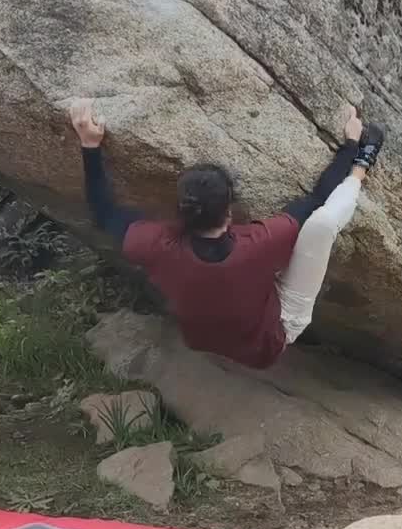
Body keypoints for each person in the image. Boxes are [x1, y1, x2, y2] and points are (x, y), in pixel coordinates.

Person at [68, 98, 384, 369]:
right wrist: (349, 146)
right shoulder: (259, 242)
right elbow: (317, 200)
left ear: (180, 209)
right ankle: (362, 162)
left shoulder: (157, 246)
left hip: (208, 337)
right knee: (321, 224)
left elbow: (104, 212)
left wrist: (89, 145)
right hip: (271, 338)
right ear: (230, 213)